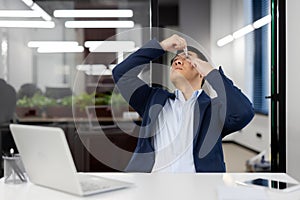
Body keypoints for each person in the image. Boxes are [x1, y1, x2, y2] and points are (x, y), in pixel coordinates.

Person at [112, 34, 254, 172]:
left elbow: (244, 112)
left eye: (186, 58)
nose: (177, 61)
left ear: (200, 70)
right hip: (153, 185)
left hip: (197, 188)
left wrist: (212, 73)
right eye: (175, 60)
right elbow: (121, 73)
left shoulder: (214, 109)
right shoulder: (152, 100)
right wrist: (161, 47)